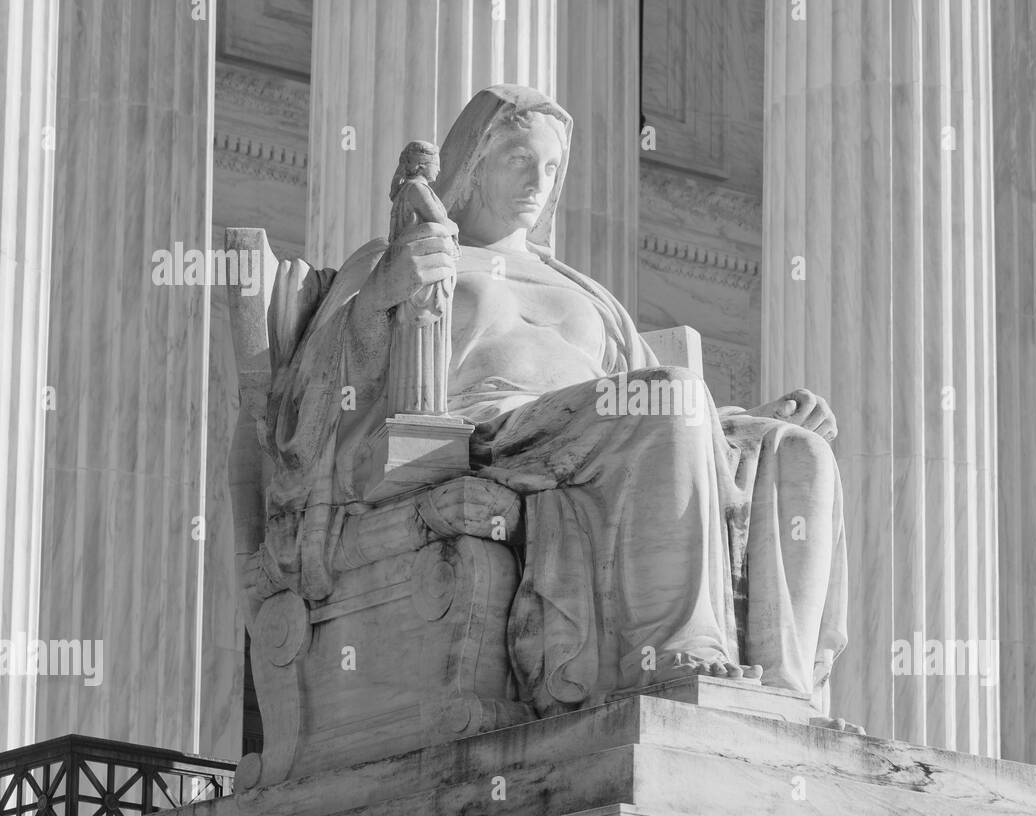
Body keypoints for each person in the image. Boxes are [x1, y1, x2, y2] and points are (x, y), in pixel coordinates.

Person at [265, 85, 852, 724]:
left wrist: (748, 420)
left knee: (797, 454)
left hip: (602, 426)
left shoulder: (585, 290)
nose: (537, 182)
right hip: (491, 435)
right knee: (671, 394)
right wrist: (386, 292)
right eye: (519, 159)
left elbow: (653, 409)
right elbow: (316, 393)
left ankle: (781, 693)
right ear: (474, 163)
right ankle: (675, 653)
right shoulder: (407, 255)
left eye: (550, 168)